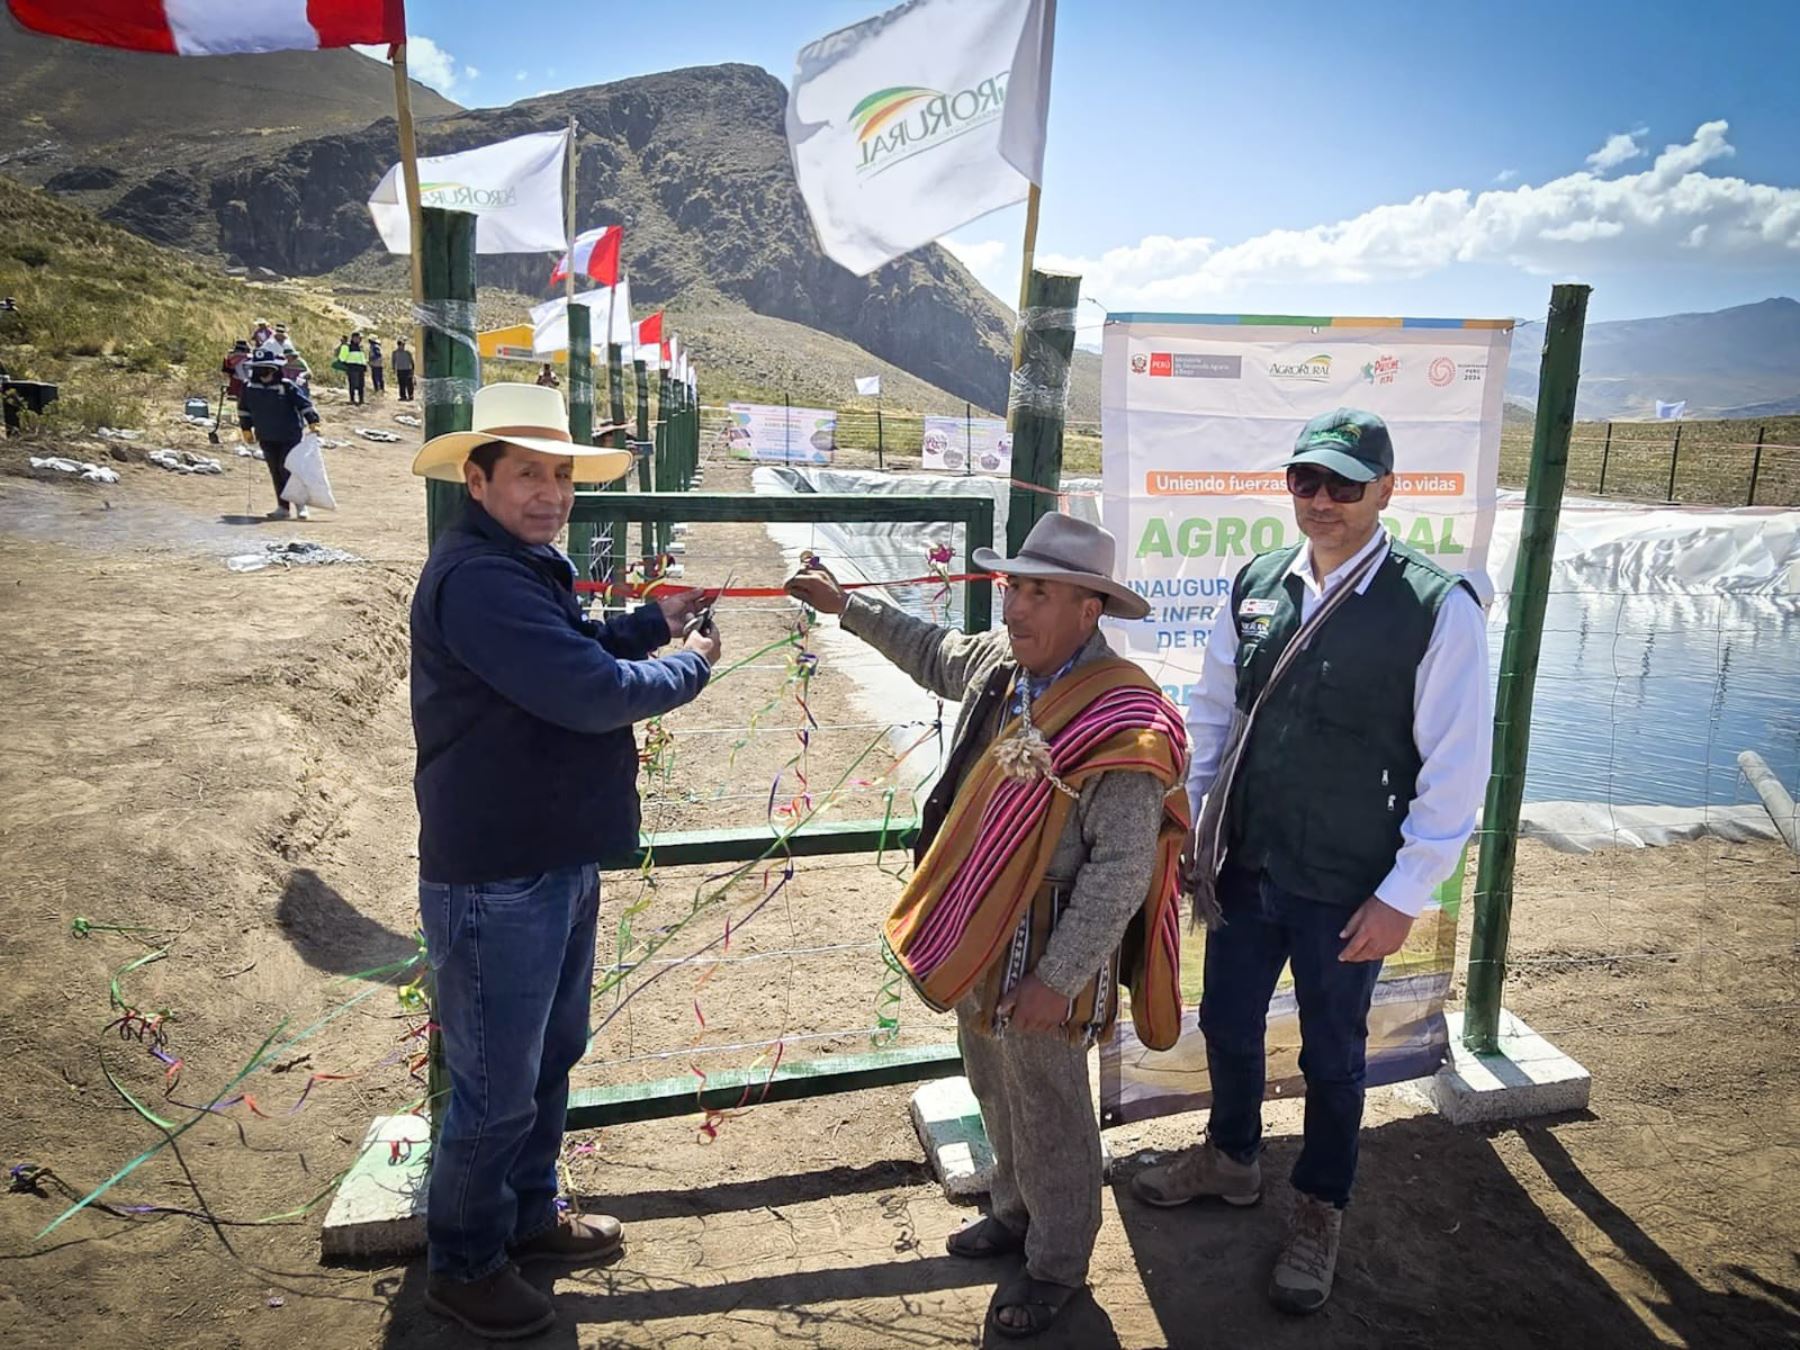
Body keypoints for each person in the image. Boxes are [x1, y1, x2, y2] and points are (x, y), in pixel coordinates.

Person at [787, 515, 1190, 1341]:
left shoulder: (1122, 719)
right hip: (978, 932)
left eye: (1039, 591)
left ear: (1090, 609)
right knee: (990, 1080)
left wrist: (1060, 977)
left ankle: (1057, 1263)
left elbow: (1121, 869)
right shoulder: (1004, 669)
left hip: (1046, 948)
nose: (1016, 607)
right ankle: (1012, 1212)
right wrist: (844, 606)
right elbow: (932, 650)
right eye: (1013, 586)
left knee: (1051, 1107)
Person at [1131, 408, 1491, 1315]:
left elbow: (1455, 769)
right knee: (1230, 1023)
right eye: (1306, 481)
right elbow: (1212, 716)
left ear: (1386, 491)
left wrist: (1407, 893)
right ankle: (1234, 1157)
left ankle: (1321, 1205)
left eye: (1343, 484)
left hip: (1349, 884)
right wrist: (1190, 829)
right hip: (1246, 865)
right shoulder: (1258, 583)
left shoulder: (1434, 606)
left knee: (1334, 1058)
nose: (1322, 500)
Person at [408, 382, 720, 1340]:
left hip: (542, 854)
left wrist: (648, 623)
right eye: (528, 474)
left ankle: (529, 1217)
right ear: (478, 476)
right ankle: (463, 1263)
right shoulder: (483, 579)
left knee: (545, 1058)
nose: (549, 493)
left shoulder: (514, 565)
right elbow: (586, 692)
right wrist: (690, 661)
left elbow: (573, 651)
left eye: (560, 474)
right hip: (501, 869)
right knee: (500, 1082)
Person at [237, 346, 321, 521]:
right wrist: (246, 429)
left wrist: (313, 421)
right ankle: (282, 507)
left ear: (273, 369)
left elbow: (303, 404)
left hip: (289, 434)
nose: (262, 372)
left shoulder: (286, 386)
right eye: (258, 368)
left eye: (265, 368)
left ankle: (300, 506)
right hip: (266, 435)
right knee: (275, 471)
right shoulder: (249, 387)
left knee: (288, 469)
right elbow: (244, 410)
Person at [337, 332, 368, 405]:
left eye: (360, 338)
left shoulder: (360, 347)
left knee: (361, 385)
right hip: (352, 367)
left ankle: (361, 400)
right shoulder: (347, 347)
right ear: (353, 338)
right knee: (353, 384)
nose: (359, 340)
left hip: (360, 368)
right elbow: (342, 358)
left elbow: (363, 358)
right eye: (358, 338)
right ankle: (352, 399)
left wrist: (365, 366)